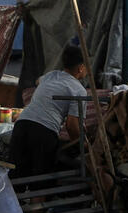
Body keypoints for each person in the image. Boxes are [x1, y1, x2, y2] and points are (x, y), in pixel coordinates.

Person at [8, 44, 87, 178]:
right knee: (40, 183)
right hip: (43, 132)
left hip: (21, 125)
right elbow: (72, 126)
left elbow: (38, 81)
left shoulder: (51, 75)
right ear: (81, 68)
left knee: (16, 179)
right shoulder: (79, 90)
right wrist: (83, 146)